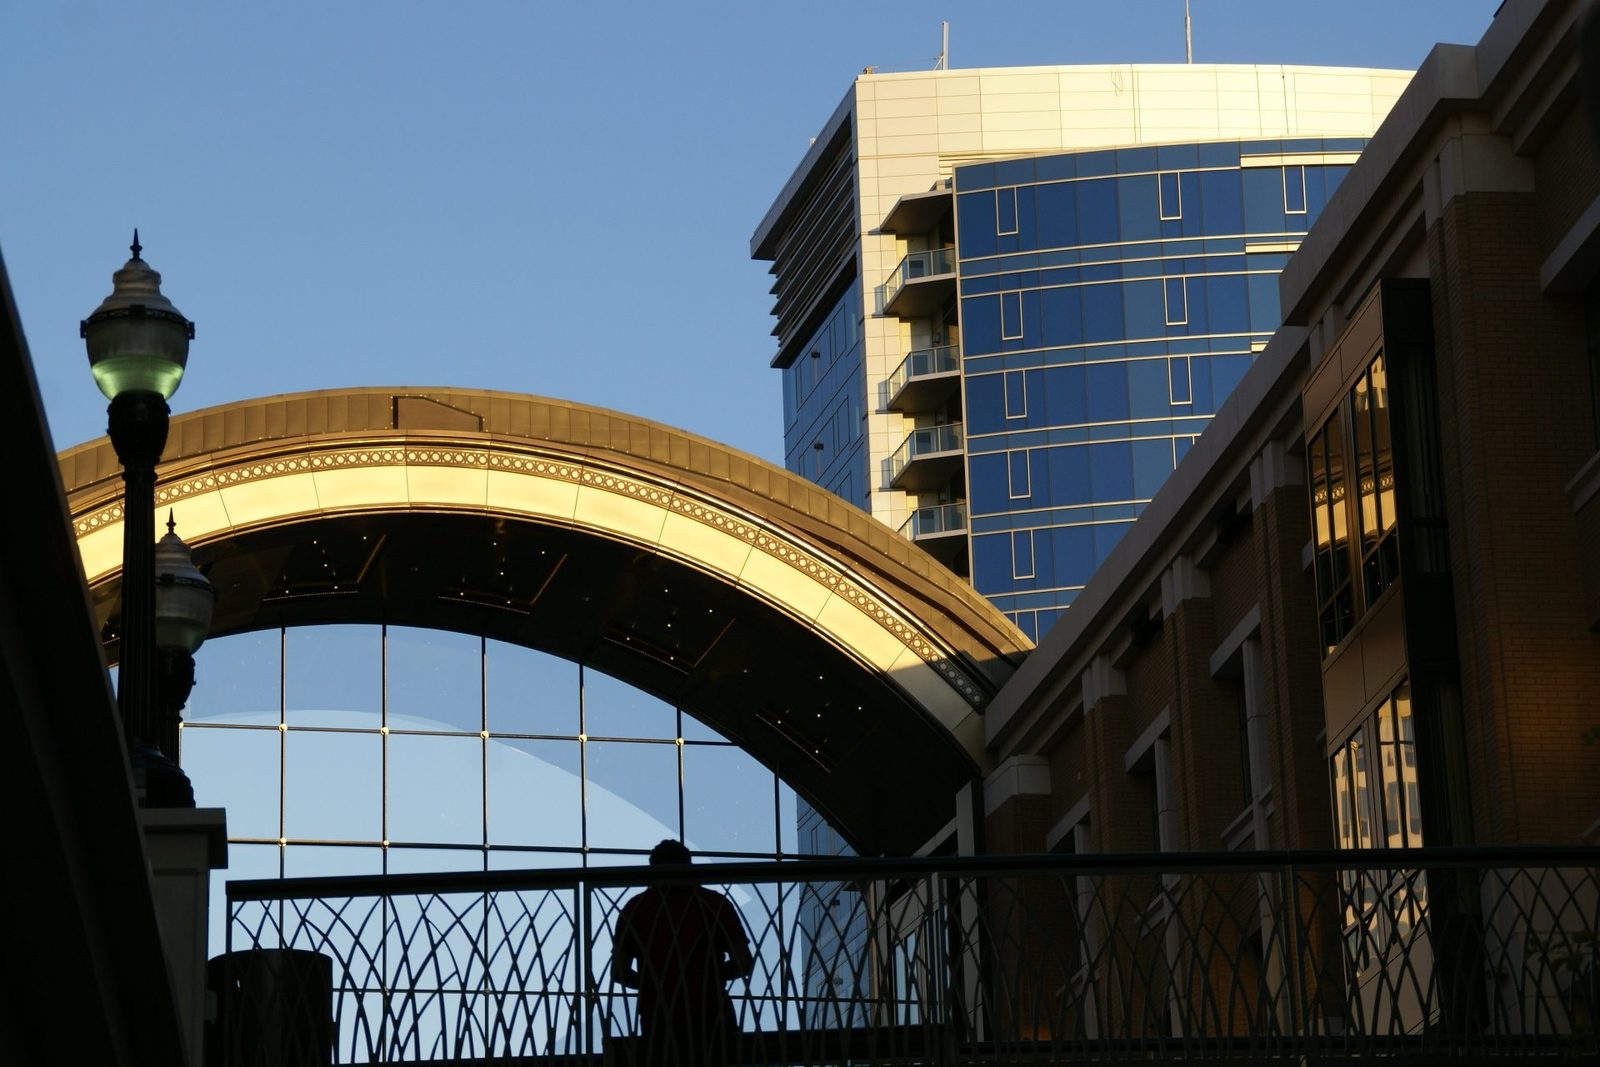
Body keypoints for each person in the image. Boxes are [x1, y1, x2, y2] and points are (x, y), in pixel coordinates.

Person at [612, 840, 755, 1066]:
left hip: (658, 1016)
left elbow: (619, 972)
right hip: (711, 1012)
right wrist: (709, 977)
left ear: (652, 870)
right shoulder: (713, 903)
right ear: (688, 866)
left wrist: (657, 982)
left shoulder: (636, 908)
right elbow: (744, 962)